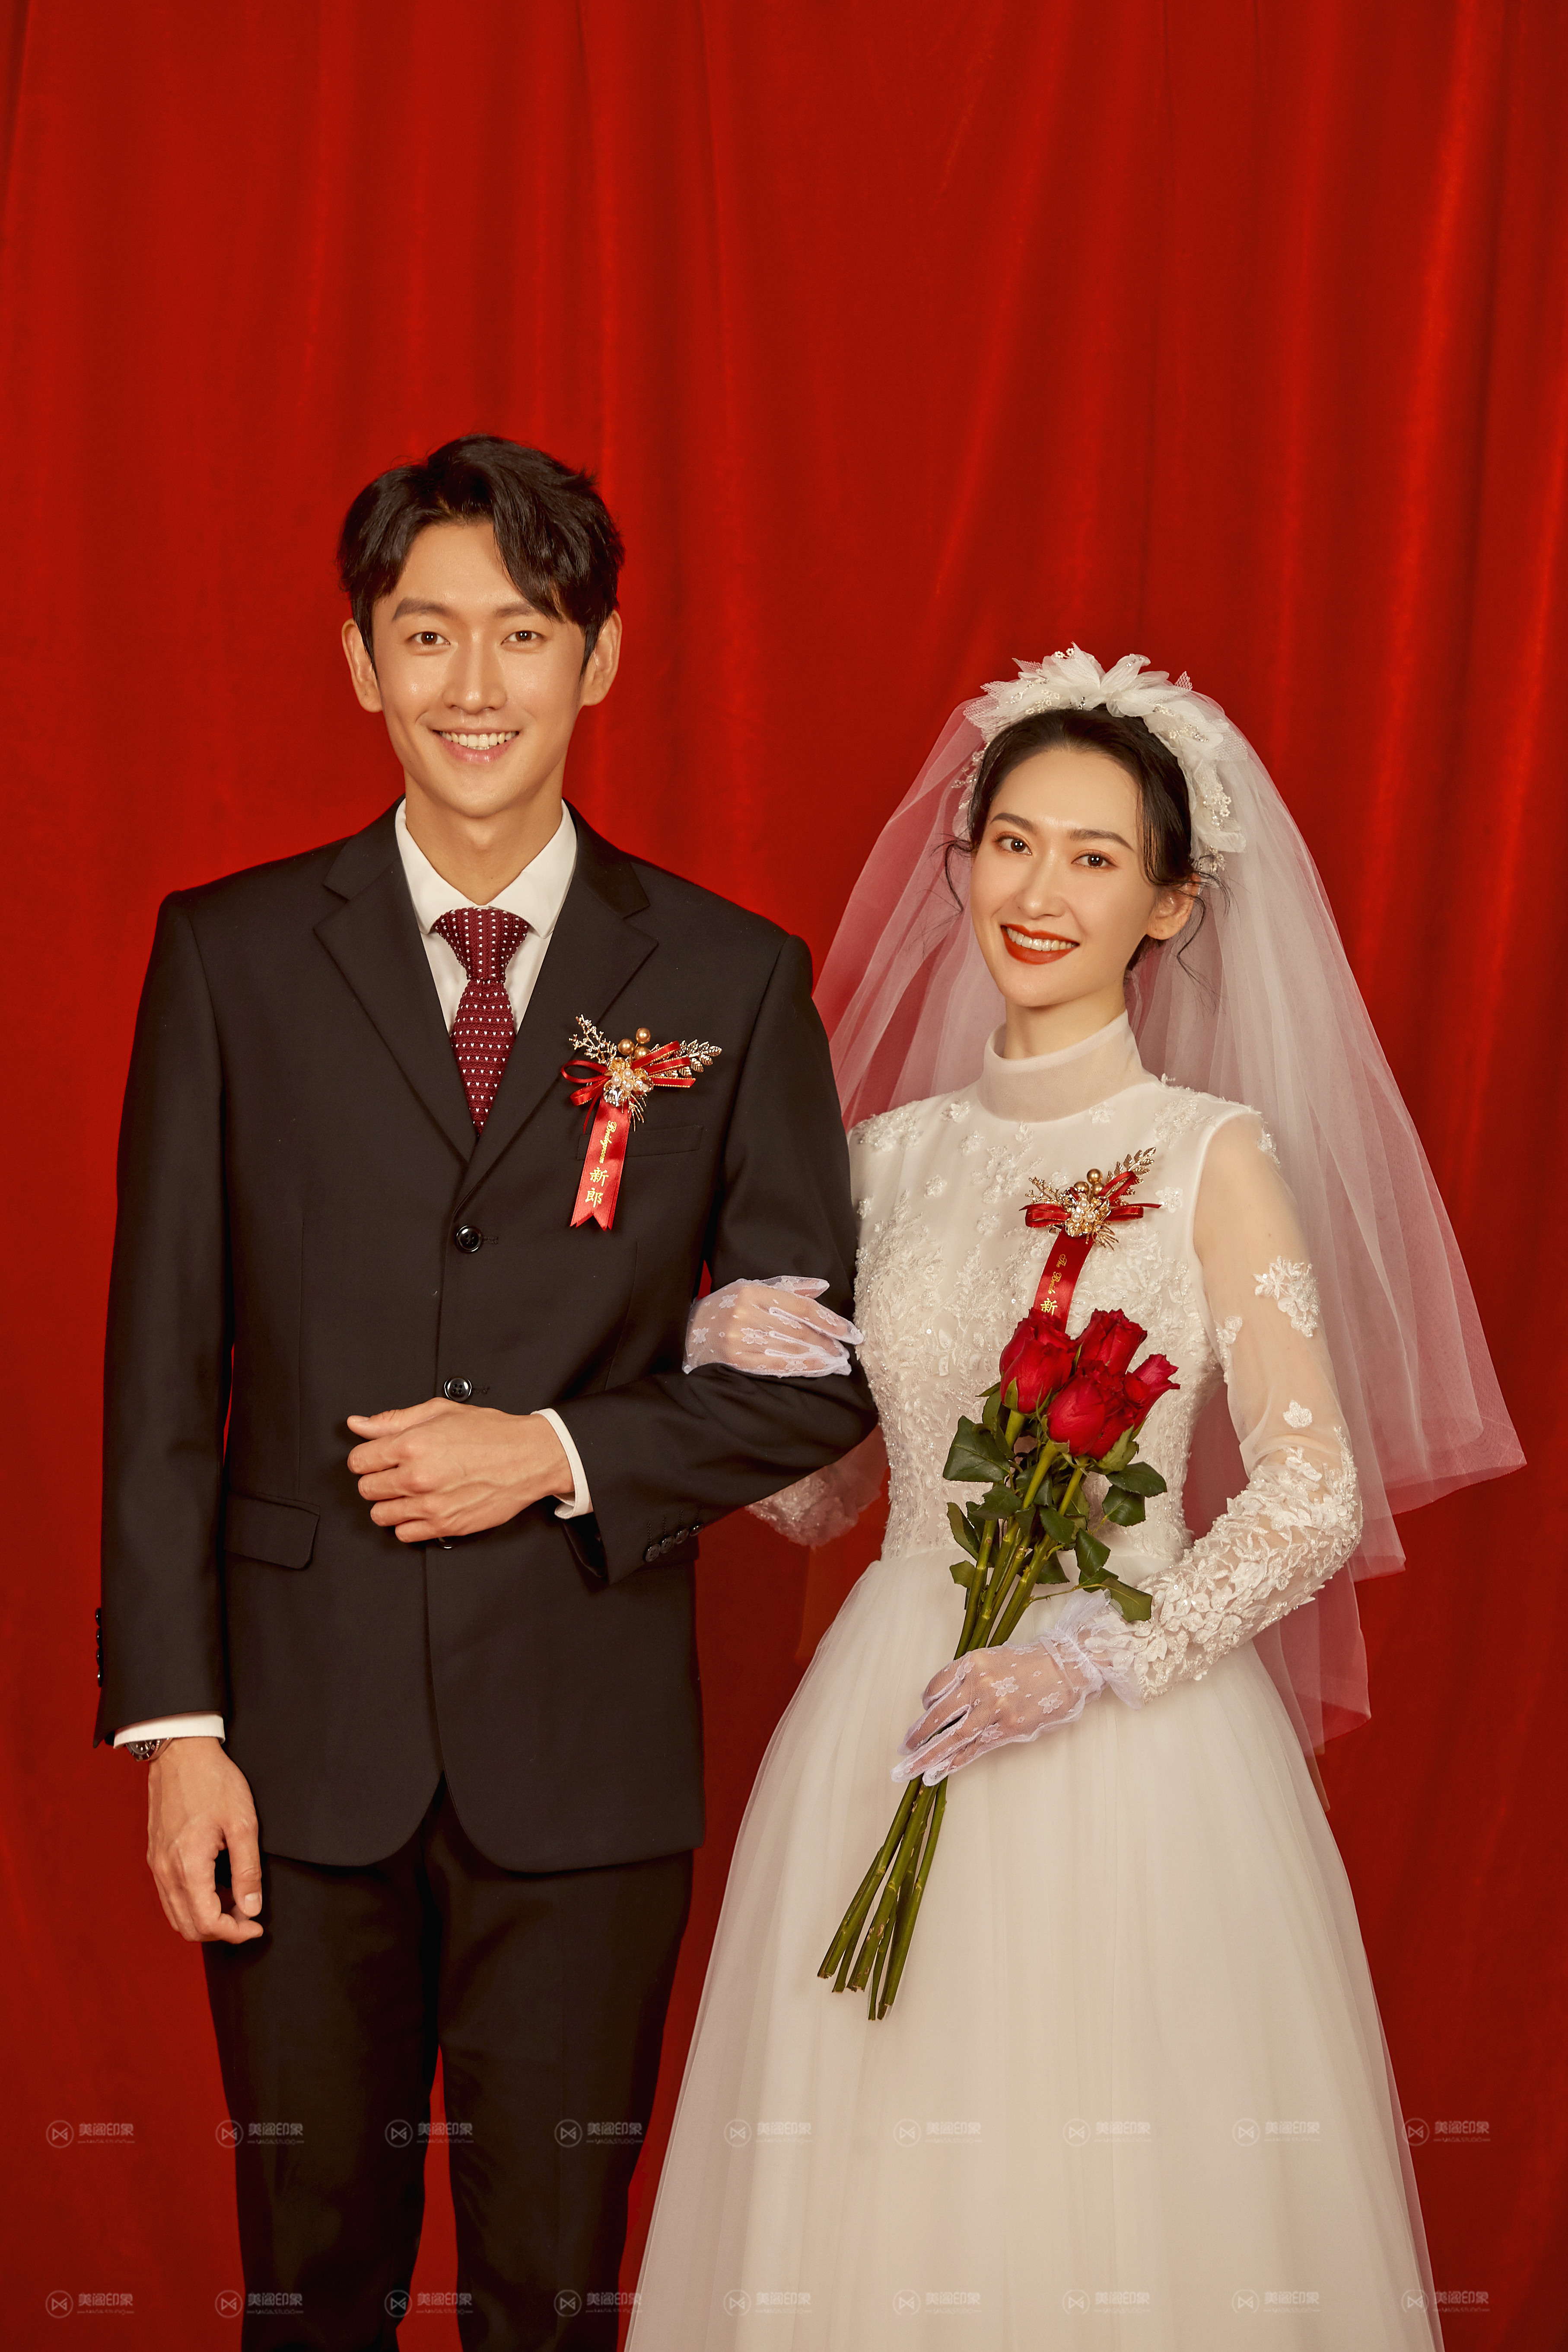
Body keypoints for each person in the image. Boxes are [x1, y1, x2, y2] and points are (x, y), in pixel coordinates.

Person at [626, 649, 1522, 2349]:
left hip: (1122, 1725)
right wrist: (719, 1354)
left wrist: (1088, 1658)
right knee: (875, 2197)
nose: (1037, 892)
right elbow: (826, 1501)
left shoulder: (1209, 1153)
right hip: (891, 1702)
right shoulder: (882, 1157)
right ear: (962, 858)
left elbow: (1312, 1490)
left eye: (1094, 857)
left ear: (1169, 903)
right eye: (1011, 842)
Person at [93, 433, 876, 2351]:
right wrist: (177, 1728)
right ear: (359, 658)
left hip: (585, 1749)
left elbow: (816, 1368)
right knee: (312, 2288)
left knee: (554, 2294)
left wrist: (554, 1449)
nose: (472, 682)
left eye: (521, 632)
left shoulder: (728, 977)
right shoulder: (228, 956)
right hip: (292, 1750)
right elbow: (160, 1368)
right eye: (424, 631)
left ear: (597, 660)